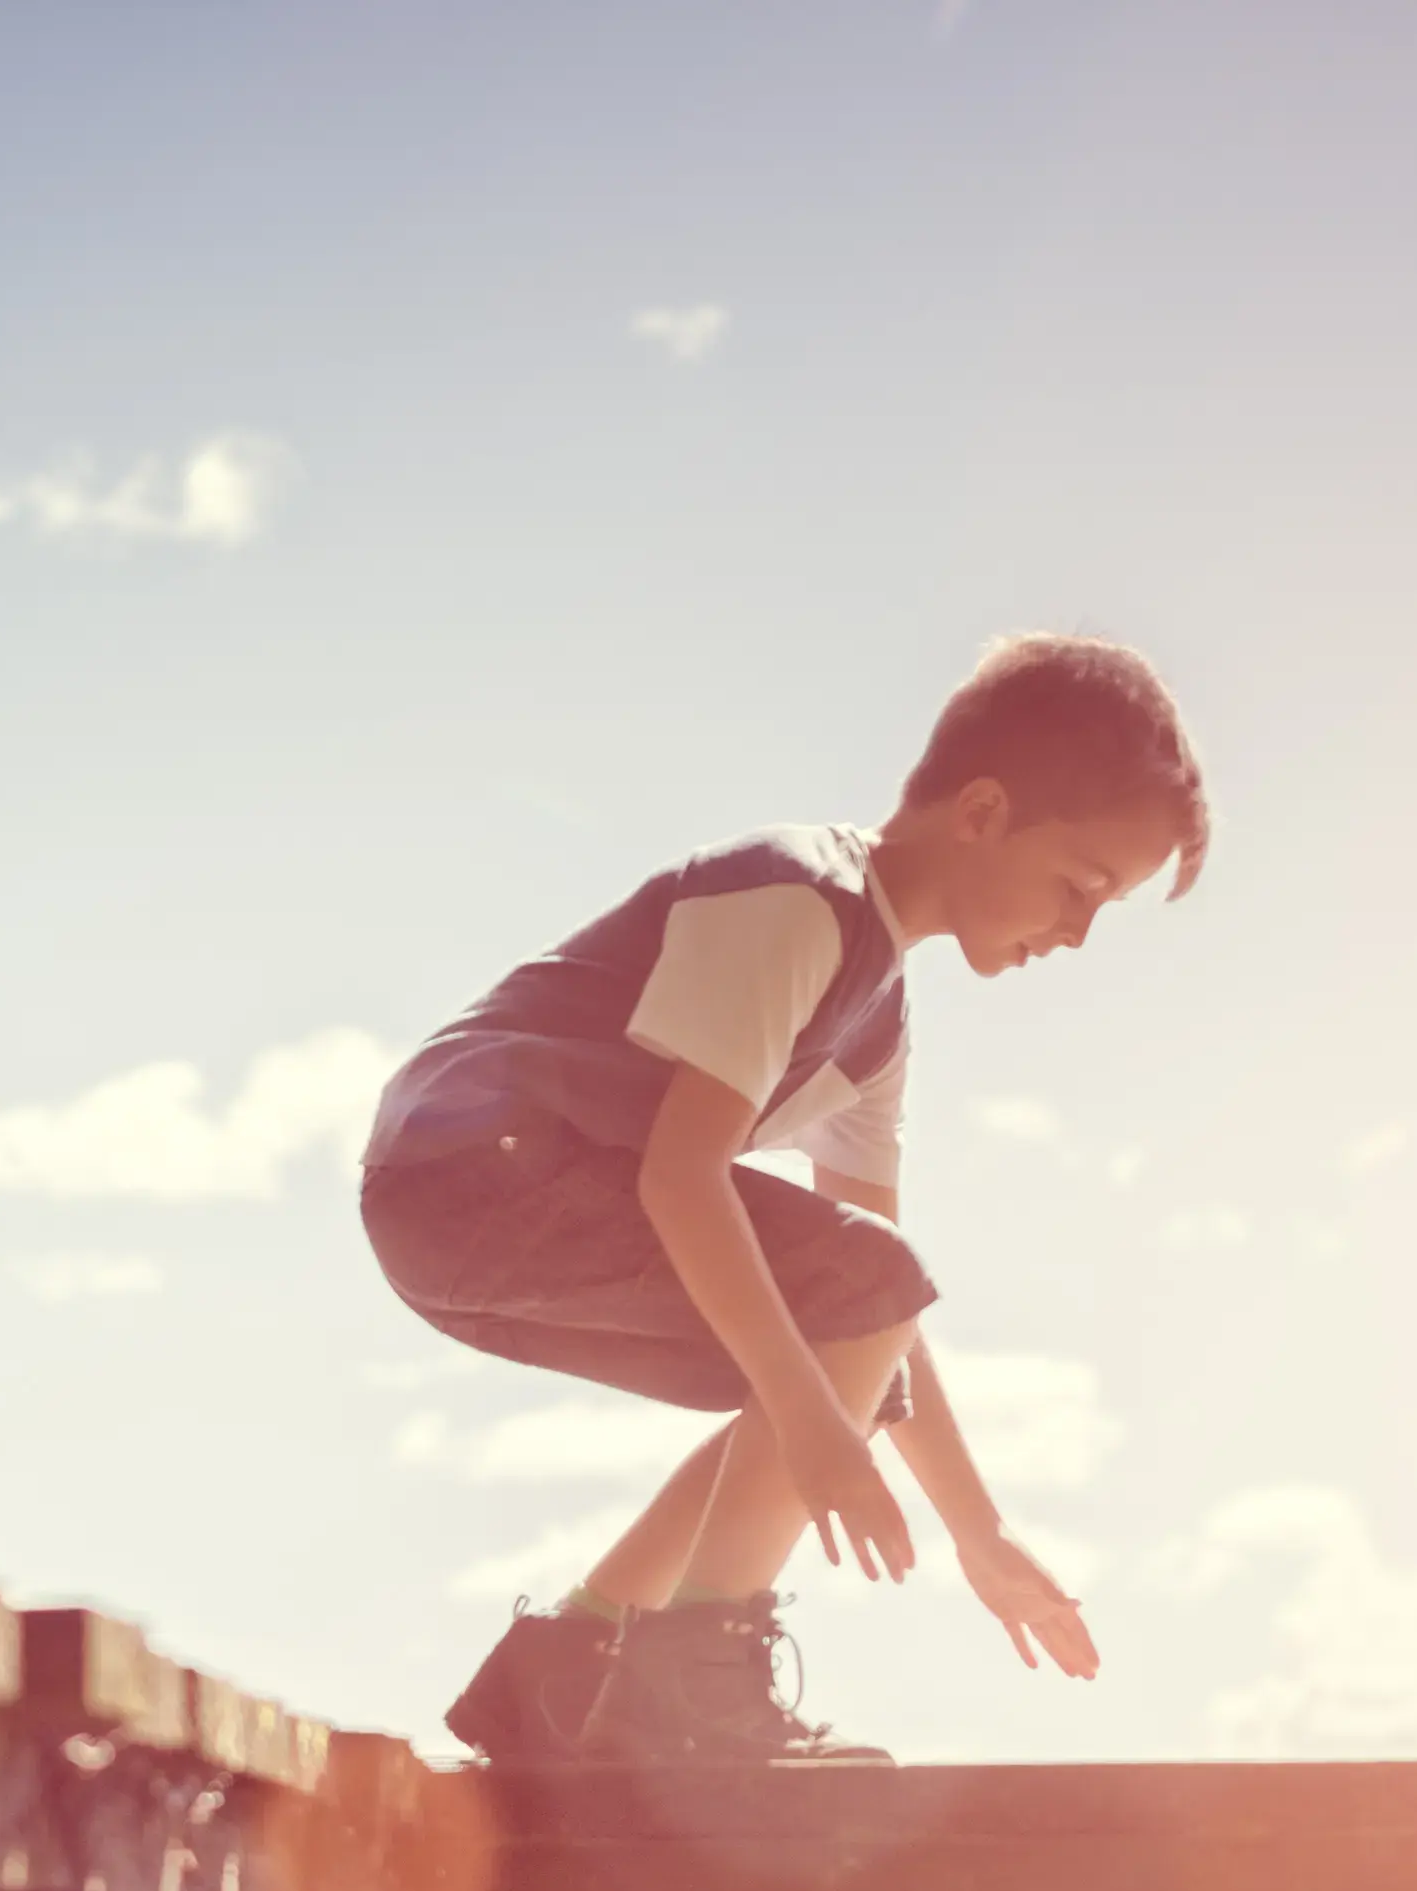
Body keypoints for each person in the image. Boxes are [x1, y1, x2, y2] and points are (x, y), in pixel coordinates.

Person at [359, 634, 1209, 1765]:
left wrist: (980, 1531)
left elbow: (880, 1321)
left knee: (827, 1347)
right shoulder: (797, 897)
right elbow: (683, 1176)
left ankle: (569, 1658)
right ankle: (690, 1692)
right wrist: (814, 1425)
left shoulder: (879, 1025)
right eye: (1081, 885)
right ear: (984, 811)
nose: (1078, 931)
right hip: (473, 1170)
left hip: (472, 1216)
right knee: (816, 1366)